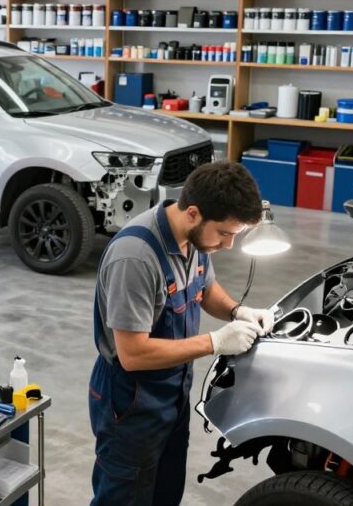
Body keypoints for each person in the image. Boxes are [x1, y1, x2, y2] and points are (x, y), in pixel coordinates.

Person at [89, 161, 274, 506]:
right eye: (224, 233)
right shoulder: (136, 257)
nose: (230, 244)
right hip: (130, 402)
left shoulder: (196, 241)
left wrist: (237, 311)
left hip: (173, 397)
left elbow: (205, 288)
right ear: (193, 213)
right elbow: (133, 354)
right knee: (125, 498)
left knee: (164, 493)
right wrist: (215, 342)